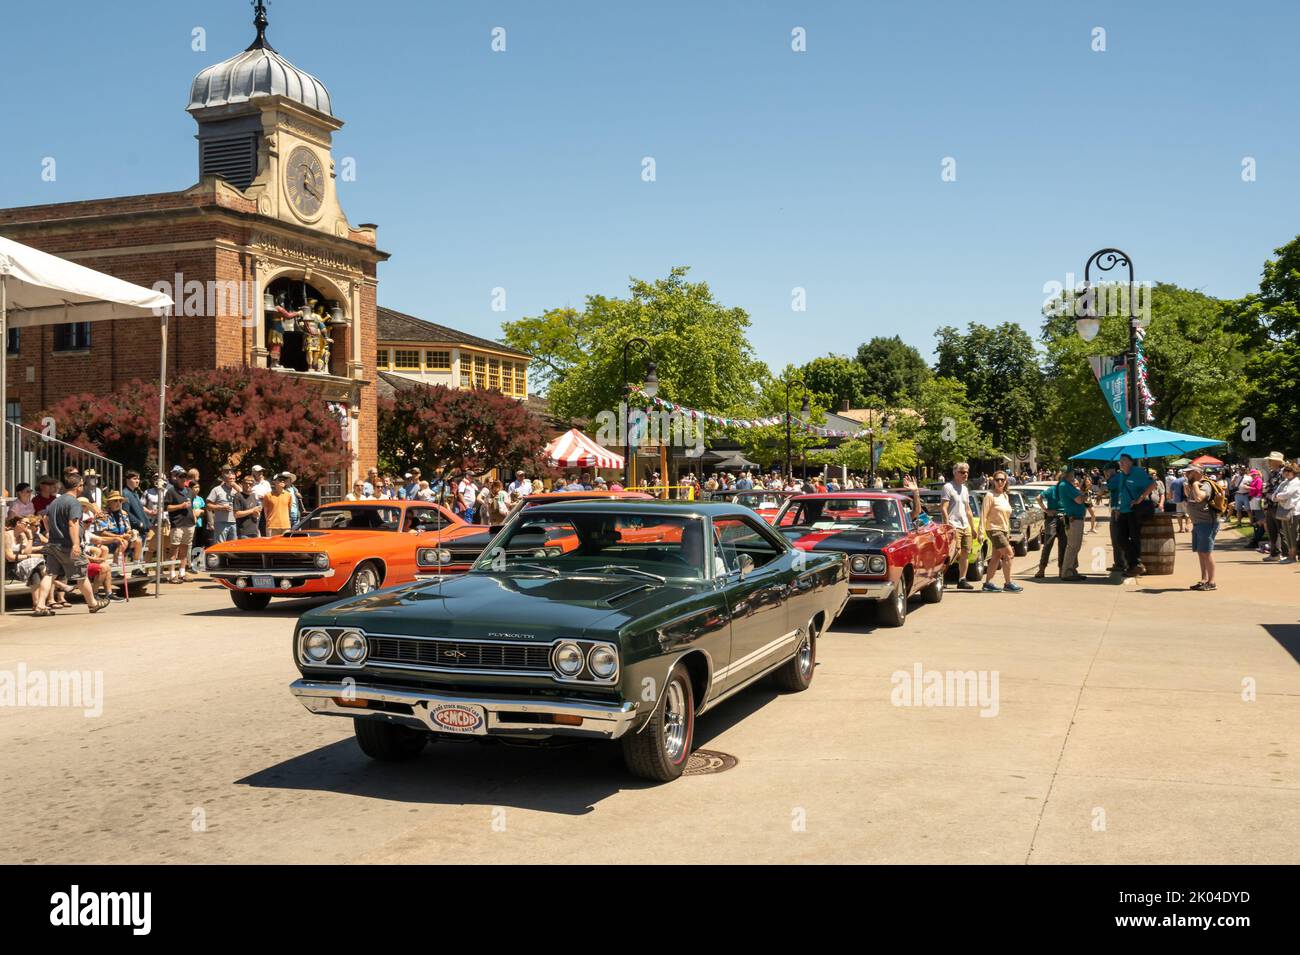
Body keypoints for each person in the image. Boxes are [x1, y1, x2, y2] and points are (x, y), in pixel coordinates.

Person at [34, 471, 106, 614]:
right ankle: (93, 604)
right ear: (78, 486)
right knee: (81, 575)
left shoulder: (55, 501)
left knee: (49, 574)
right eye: (82, 485)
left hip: (54, 544)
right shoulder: (74, 502)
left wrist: (50, 533)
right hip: (67, 545)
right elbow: (73, 524)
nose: (83, 488)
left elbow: (45, 519)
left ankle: (40, 605)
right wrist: (75, 544)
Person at [1115, 453, 1158, 576]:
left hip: (1134, 511)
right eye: (1120, 461)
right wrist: (1118, 509)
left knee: (1134, 538)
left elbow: (1153, 484)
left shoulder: (1138, 472)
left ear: (1130, 462)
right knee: (1121, 538)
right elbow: (1121, 493)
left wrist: (1141, 497)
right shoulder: (1122, 475)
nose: (1121, 463)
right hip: (1123, 511)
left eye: (1123, 460)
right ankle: (1136, 564)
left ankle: (1134, 566)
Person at [979, 470, 1022, 592]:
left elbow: (1006, 517)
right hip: (993, 529)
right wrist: (981, 532)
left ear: (1006, 481)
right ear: (993, 481)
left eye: (1002, 480)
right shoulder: (989, 495)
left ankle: (988, 583)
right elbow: (983, 514)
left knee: (996, 556)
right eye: (997, 479)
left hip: (1003, 530)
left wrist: (1008, 533)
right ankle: (1008, 583)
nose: (1000, 482)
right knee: (1009, 554)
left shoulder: (1004, 495)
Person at [1183, 462, 1221, 590]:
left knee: (1206, 553)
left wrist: (1194, 485)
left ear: (1197, 472)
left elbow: (1199, 498)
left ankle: (1212, 582)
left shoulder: (1205, 485)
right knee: (1201, 552)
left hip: (1207, 523)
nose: (1186, 474)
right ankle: (1204, 579)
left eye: (1189, 472)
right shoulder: (1194, 485)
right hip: (1198, 523)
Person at [940, 463, 977, 590]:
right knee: (954, 553)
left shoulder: (965, 489)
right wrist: (948, 525)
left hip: (965, 525)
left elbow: (968, 510)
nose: (965, 474)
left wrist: (972, 528)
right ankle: (941, 579)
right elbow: (943, 508)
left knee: (965, 553)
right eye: (962, 472)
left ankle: (962, 579)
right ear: (955, 473)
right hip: (953, 525)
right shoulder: (948, 487)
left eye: (967, 472)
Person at [5, 515, 48, 613]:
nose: (28, 526)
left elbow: (26, 552)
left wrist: (30, 538)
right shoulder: (7, 535)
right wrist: (32, 556)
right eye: (26, 523)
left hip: (20, 564)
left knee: (36, 569)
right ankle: (40, 603)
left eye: (29, 524)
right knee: (38, 565)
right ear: (18, 523)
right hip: (8, 567)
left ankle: (37, 604)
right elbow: (10, 557)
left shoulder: (23, 535)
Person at [163, 467, 196, 584]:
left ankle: (182, 573)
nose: (183, 479)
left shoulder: (190, 491)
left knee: (185, 549)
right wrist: (180, 506)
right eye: (181, 477)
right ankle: (172, 575)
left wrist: (194, 518)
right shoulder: (171, 491)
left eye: (185, 477)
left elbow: (192, 506)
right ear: (176, 478)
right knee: (174, 550)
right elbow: (166, 508)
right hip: (177, 524)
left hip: (189, 524)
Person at [1057, 469, 1087, 580]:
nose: (1074, 476)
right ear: (1068, 474)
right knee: (1073, 546)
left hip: (1074, 518)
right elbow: (1079, 500)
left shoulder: (1065, 485)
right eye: (1073, 474)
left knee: (1074, 546)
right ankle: (1067, 572)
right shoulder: (1066, 485)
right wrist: (1085, 495)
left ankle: (1072, 570)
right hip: (1074, 518)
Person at [1033, 477, 1065, 580]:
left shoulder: (1053, 489)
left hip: (1053, 518)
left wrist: (1046, 510)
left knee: (1049, 544)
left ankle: (1044, 569)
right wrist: (1046, 510)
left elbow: (1038, 498)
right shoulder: (1056, 489)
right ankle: (1058, 570)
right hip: (1061, 517)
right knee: (1059, 545)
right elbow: (1038, 497)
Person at [1260, 451, 1286, 560]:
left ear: (1276, 461)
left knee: (1281, 530)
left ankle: (1284, 554)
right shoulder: (1273, 472)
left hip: (1278, 505)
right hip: (1270, 505)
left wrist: (1267, 490)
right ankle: (1274, 553)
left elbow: (1280, 489)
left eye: (1270, 460)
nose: (1269, 462)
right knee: (1272, 530)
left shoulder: (1282, 473)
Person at [1275, 461, 1300, 564]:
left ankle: (1293, 556)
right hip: (1283, 510)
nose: (1286, 472)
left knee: (1292, 534)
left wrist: (1277, 496)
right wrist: (1277, 496)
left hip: (1293, 512)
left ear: (1294, 472)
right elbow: (1275, 494)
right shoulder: (1284, 482)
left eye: (1289, 470)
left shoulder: (1296, 482)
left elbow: (1286, 494)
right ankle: (1290, 554)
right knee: (1286, 533)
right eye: (1285, 470)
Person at [207, 468, 239, 544]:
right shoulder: (217, 490)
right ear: (225, 479)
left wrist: (236, 487)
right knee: (220, 545)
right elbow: (208, 505)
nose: (232, 481)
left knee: (233, 546)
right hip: (221, 522)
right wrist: (221, 507)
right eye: (230, 479)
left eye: (234, 479)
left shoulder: (236, 490)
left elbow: (245, 497)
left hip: (234, 522)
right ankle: (219, 556)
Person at [232, 475, 263, 539]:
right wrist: (252, 510)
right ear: (242, 484)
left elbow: (255, 515)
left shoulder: (254, 496)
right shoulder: (238, 496)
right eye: (246, 483)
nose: (248, 485)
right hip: (243, 533)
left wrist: (256, 513)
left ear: (253, 485)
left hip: (254, 531)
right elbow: (236, 514)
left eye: (250, 484)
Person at [1169, 469, 1189, 533]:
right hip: (1186, 500)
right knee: (1187, 514)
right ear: (1184, 474)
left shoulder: (1174, 481)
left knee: (1179, 515)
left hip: (1177, 500)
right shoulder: (1187, 480)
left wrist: (1171, 498)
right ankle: (1187, 527)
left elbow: (1171, 491)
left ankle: (1181, 529)